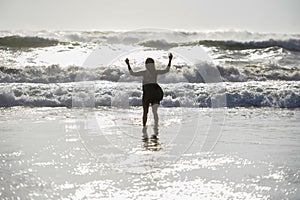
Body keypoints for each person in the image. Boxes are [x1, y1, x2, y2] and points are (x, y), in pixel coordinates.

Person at [125, 53, 173, 127]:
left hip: (147, 93)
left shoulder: (144, 73)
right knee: (154, 112)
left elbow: (132, 73)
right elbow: (167, 70)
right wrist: (170, 60)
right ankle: (156, 127)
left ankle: (144, 127)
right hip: (155, 93)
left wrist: (128, 64)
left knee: (145, 112)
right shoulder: (155, 72)